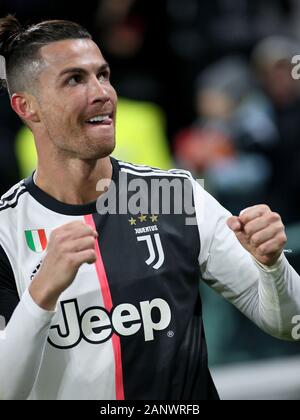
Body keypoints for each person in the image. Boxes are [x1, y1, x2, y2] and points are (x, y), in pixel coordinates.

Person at [0, 16, 299, 401]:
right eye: (75, 79)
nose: (102, 92)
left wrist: (272, 267)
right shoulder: (7, 229)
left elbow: (290, 325)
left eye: (103, 75)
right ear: (27, 107)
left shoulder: (172, 196)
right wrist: (40, 295)